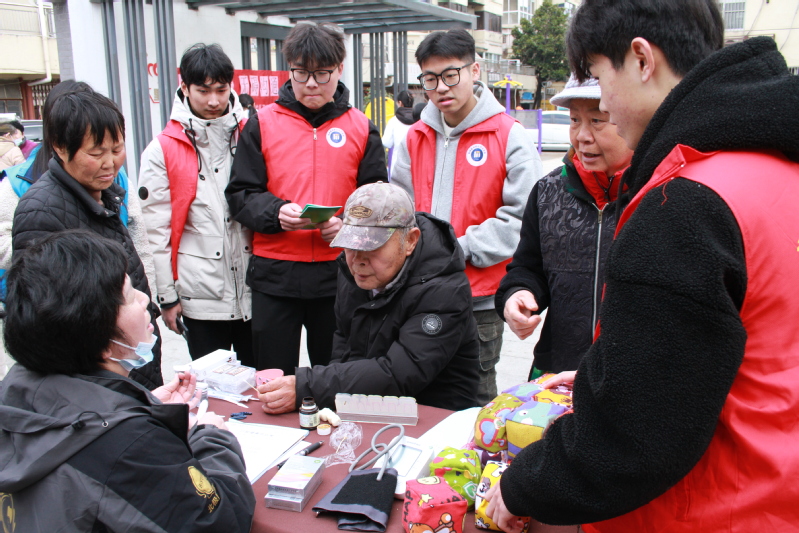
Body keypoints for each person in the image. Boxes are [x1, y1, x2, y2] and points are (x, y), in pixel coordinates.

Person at [484, 0, 799, 531]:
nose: (603, 101)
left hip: (705, 509)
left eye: (599, 77)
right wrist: (608, 369)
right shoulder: (774, 164)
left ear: (641, 59)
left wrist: (524, 486)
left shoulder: (686, 202)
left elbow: (633, 433)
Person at [0, 230, 255, 531]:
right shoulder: (128, 445)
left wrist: (142, 409)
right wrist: (211, 437)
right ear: (99, 338)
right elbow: (220, 521)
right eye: (130, 296)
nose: (146, 300)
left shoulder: (16, 389)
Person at [226, 21, 386, 373]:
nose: (311, 83)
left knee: (337, 375)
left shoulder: (361, 127)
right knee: (272, 376)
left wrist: (346, 226)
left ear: (340, 69)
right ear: (290, 69)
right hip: (275, 275)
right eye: (302, 72)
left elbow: (378, 202)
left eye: (322, 73)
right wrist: (276, 212)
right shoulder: (262, 123)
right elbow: (240, 194)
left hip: (340, 273)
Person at [392, 29, 540, 405]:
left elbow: (521, 220)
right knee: (417, 391)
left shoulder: (509, 136)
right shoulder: (414, 137)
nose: (441, 87)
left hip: (479, 299)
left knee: (475, 398)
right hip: (418, 293)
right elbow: (400, 209)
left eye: (450, 75)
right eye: (430, 79)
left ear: (475, 71)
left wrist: (457, 248)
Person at [257, 182, 480, 413]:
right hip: (368, 406)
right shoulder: (355, 271)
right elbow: (344, 343)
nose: (358, 260)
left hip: (435, 414)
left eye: (372, 247)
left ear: (410, 241)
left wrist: (310, 386)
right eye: (350, 245)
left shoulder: (445, 291)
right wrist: (331, 400)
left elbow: (399, 374)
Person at [12, 89, 164, 389]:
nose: (110, 163)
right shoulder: (42, 212)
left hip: (129, 358)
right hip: (99, 377)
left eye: (117, 149)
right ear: (60, 147)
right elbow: (52, 320)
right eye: (96, 153)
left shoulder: (104, 192)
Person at [495, 75, 633, 378]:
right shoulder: (548, 190)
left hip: (630, 378)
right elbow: (527, 267)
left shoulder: (660, 193)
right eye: (574, 120)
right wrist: (517, 294)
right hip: (556, 368)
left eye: (597, 120)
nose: (582, 136)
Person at [139, 44, 254, 365]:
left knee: (261, 386)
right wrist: (167, 297)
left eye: (221, 90)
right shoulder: (162, 150)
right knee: (212, 387)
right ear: (185, 88)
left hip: (255, 291)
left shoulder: (250, 134)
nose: (214, 100)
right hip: (199, 298)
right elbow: (157, 232)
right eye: (203, 91)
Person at [381, 90, 417, 178]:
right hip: (415, 163)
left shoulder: (393, 121)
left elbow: (386, 142)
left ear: (400, 103)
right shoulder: (419, 120)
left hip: (397, 164)